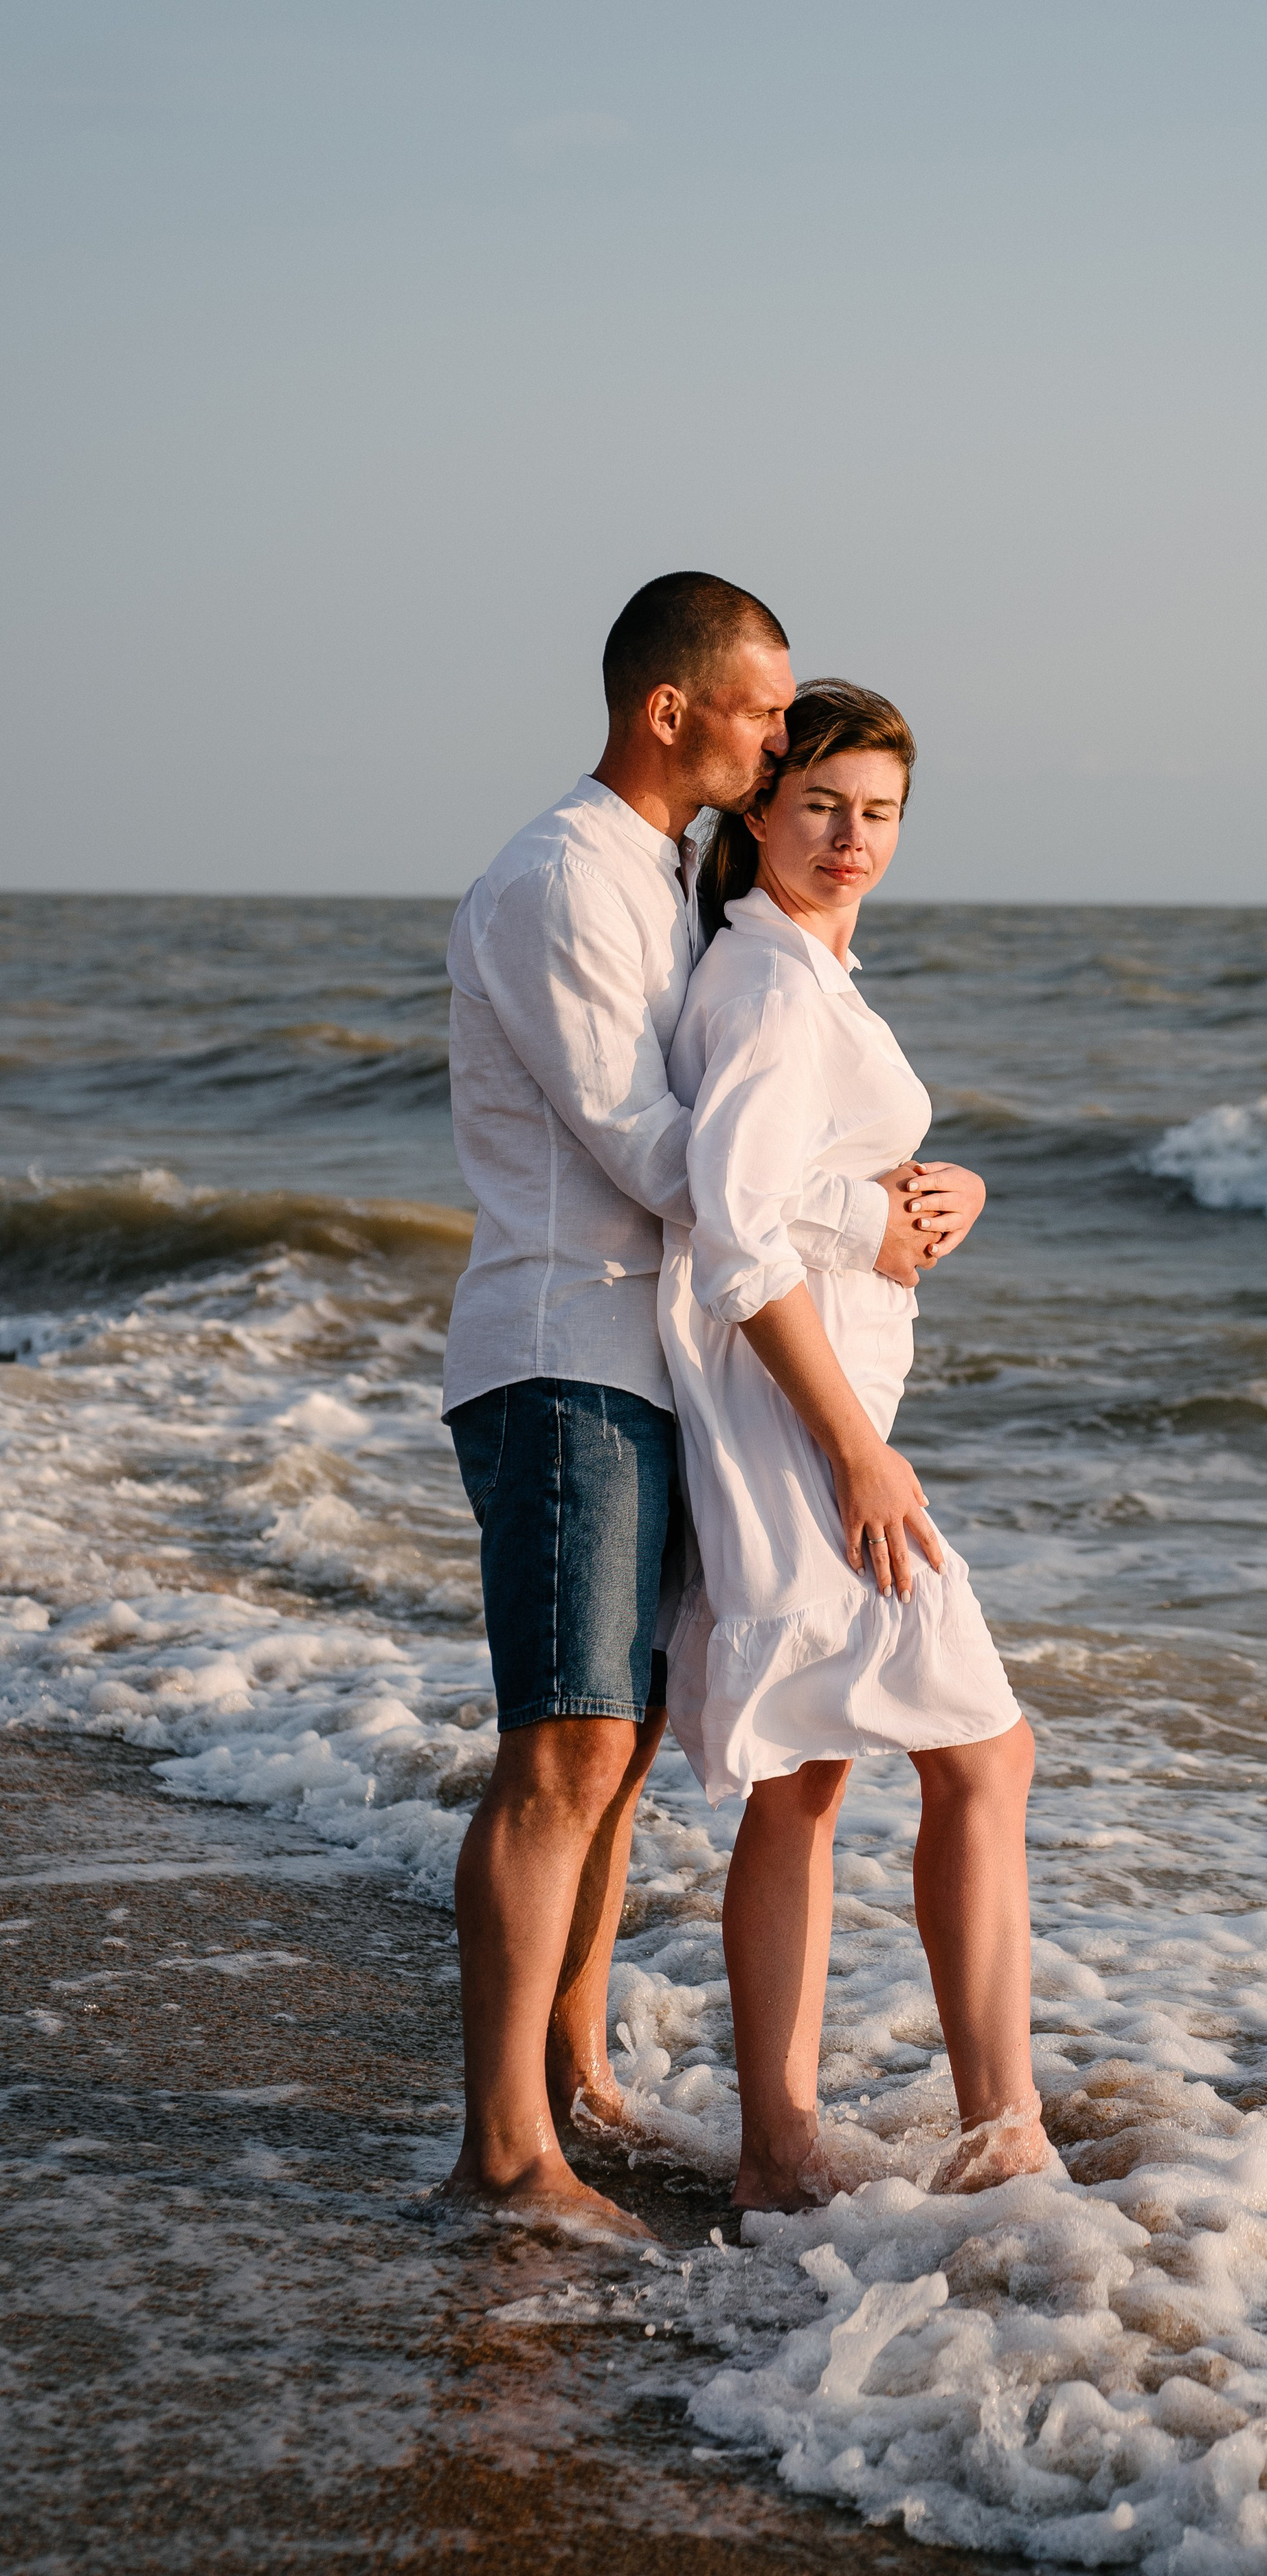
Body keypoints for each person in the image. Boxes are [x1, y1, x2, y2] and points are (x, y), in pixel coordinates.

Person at [439, 576, 985, 2225]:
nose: (777, 738)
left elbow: (751, 1137)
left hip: (647, 1360)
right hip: (562, 1354)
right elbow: (656, 1150)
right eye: (761, 713)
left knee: (624, 1743)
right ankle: (502, 2154)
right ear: (672, 709)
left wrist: (902, 1188)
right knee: (564, 1744)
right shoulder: (562, 881)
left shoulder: (665, 881)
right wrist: (860, 1216)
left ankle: (575, 2083)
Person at [660, 680, 1049, 2210]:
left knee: (811, 1777)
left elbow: (812, 1185)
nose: (850, 837)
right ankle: (995, 2127)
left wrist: (942, 1196)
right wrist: (851, 1456)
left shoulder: (807, 977)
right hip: (798, 1423)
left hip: (821, 1412)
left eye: (877, 811)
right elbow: (732, 1230)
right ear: (758, 808)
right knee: (984, 1756)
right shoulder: (762, 984)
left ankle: (781, 2146)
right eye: (820, 804)